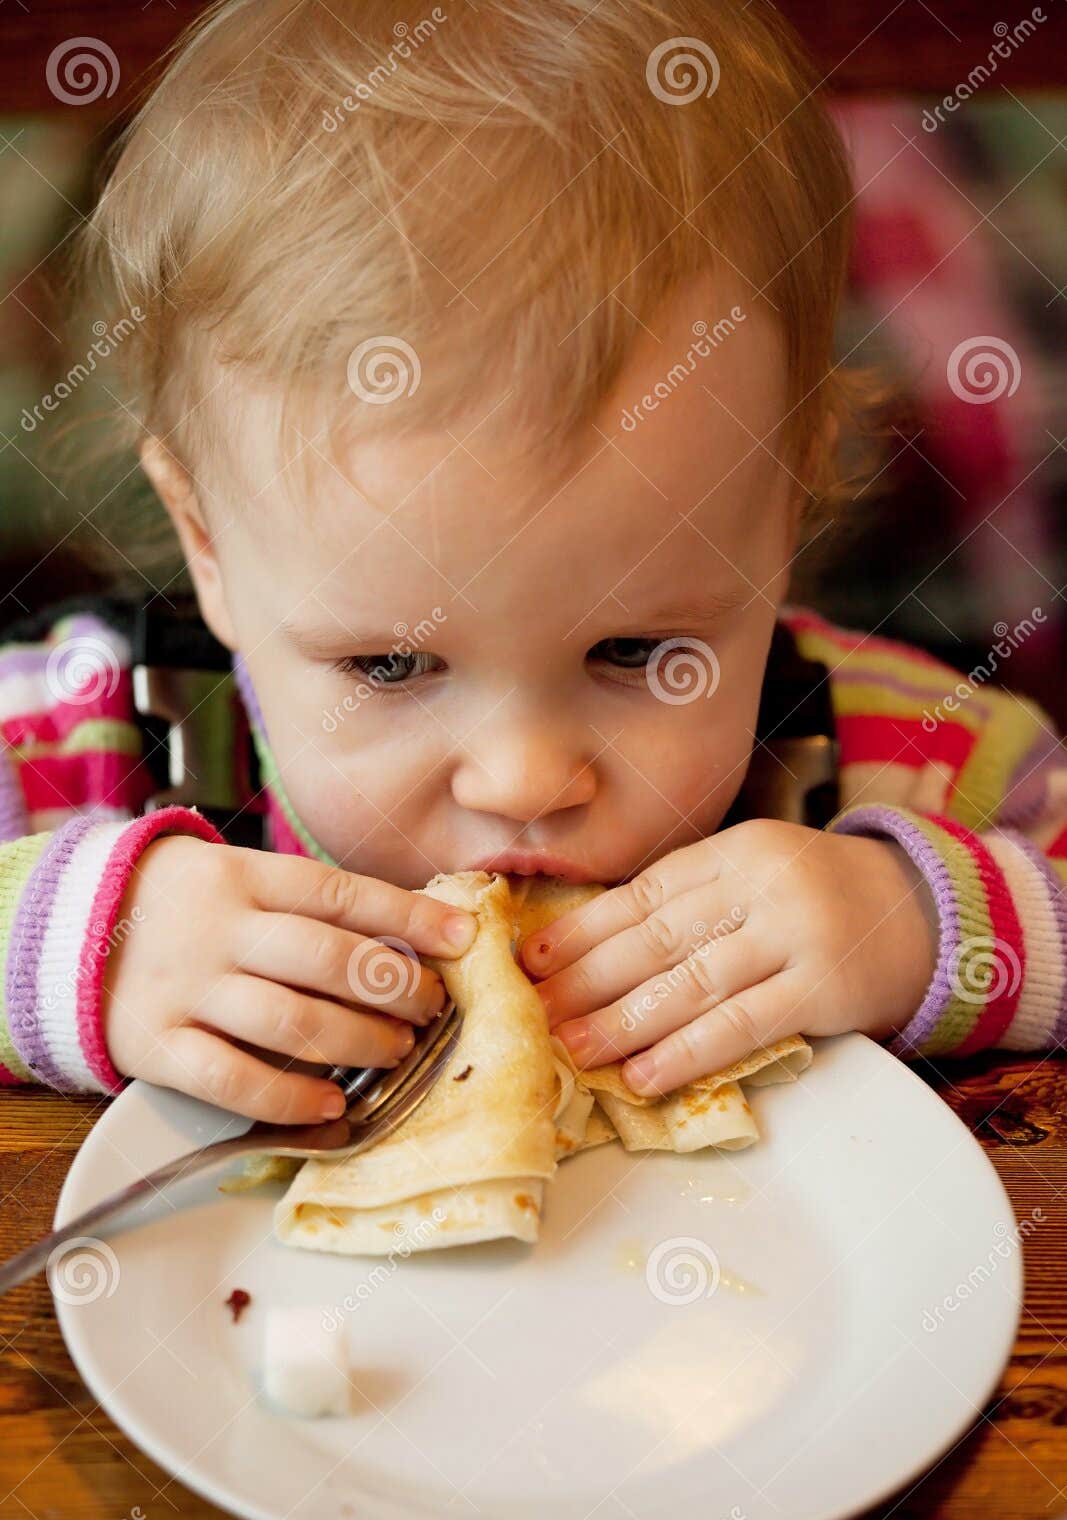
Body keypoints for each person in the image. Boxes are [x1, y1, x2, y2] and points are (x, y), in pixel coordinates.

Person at [2, 0, 1065, 1126]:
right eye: (390, 665)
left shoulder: (910, 764)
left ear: (784, 503)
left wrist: (910, 923)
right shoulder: (83, 743)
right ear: (208, 544)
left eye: (634, 650)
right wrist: (80, 943)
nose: (519, 780)